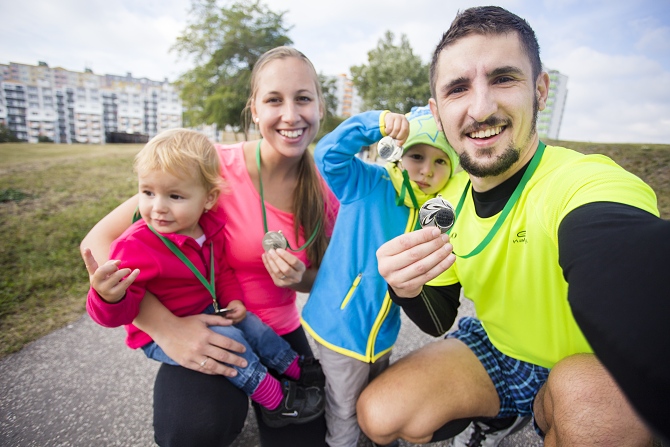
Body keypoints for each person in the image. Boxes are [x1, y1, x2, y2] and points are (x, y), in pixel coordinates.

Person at [355, 6, 670, 447]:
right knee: (379, 414)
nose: (481, 108)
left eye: (504, 79)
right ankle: (503, 418)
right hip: (499, 352)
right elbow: (439, 317)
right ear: (438, 111)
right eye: (458, 88)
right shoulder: (444, 207)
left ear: (540, 90)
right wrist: (406, 289)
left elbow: (623, 260)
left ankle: (551, 415)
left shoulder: (586, 180)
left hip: (592, 368)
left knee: (587, 405)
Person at [80, 46, 339, 446]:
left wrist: (300, 277)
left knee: (307, 434)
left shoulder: (325, 193)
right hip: (202, 323)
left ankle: (275, 392)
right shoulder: (209, 167)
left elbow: (326, 279)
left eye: (303, 98)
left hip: (278, 331)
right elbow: (99, 241)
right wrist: (166, 329)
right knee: (191, 430)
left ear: (320, 105)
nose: (291, 115)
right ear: (254, 109)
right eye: (274, 100)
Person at [85, 128, 325, 428]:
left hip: (209, 311)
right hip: (163, 333)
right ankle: (277, 401)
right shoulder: (135, 247)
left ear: (208, 199)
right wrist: (107, 297)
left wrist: (233, 299)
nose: (158, 206)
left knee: (252, 325)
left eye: (174, 196)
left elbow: (220, 271)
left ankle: (297, 369)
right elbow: (121, 313)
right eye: (147, 192)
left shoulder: (207, 228)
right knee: (233, 342)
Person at [301, 105, 459, 447]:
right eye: (417, 155)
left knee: (372, 408)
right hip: (340, 329)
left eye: (441, 161)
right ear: (400, 152)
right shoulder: (368, 182)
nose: (427, 171)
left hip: (381, 336)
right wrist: (376, 123)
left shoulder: (435, 213)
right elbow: (327, 154)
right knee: (343, 414)